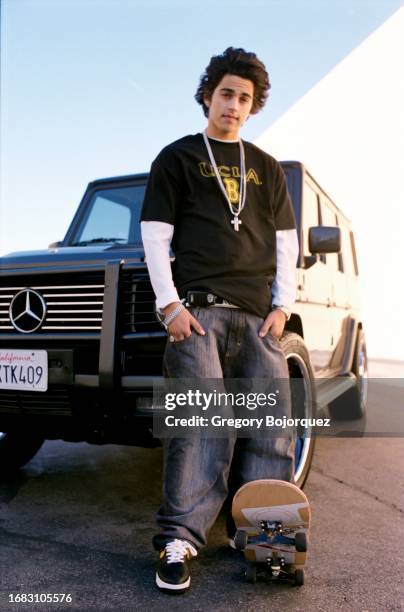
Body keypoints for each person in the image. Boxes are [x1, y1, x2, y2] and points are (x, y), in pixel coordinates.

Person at [140, 47, 299, 593]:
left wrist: (282, 306)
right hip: (199, 315)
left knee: (270, 432)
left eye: (244, 98)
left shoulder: (267, 167)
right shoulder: (178, 157)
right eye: (226, 93)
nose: (234, 105)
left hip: (258, 319)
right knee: (200, 430)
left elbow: (286, 244)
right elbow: (156, 237)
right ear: (209, 95)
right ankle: (179, 539)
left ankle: (265, 539)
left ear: (253, 107)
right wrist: (170, 306)